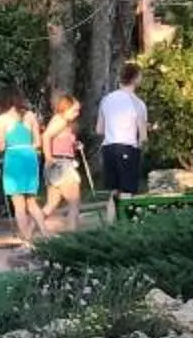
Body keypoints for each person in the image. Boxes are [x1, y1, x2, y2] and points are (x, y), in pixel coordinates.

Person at [0, 87, 45, 240]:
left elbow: (1, 146)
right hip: (30, 157)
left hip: (14, 158)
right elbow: (38, 142)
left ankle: (26, 240)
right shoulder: (30, 115)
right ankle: (45, 234)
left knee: (19, 204)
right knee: (31, 201)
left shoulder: (2, 119)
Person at [97, 62, 149, 203]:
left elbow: (99, 129)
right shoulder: (137, 103)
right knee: (127, 191)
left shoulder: (106, 100)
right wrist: (140, 146)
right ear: (136, 78)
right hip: (127, 147)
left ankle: (110, 223)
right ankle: (124, 224)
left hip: (108, 148)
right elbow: (143, 136)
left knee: (113, 192)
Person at [41, 90, 85, 228]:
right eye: (75, 110)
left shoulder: (64, 123)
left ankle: (29, 230)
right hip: (62, 164)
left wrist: (75, 144)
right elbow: (46, 136)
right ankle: (72, 236)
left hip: (58, 163)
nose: (77, 114)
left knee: (51, 204)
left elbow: (59, 140)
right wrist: (48, 158)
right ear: (65, 108)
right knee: (74, 203)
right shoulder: (61, 120)